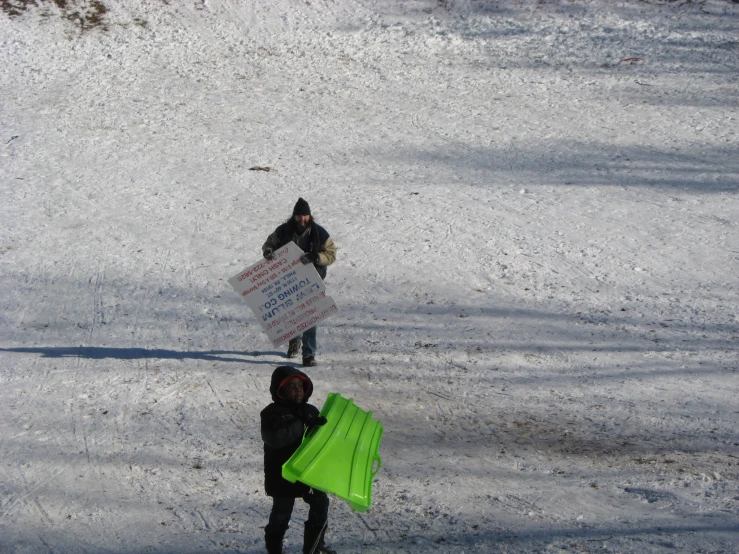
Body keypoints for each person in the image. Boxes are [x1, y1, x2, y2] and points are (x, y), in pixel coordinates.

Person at [260, 366, 335, 554]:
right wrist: (302, 424)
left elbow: (322, 443)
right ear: (280, 389)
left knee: (321, 504)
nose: (298, 390)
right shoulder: (271, 413)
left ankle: (314, 547)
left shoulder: (310, 411)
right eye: (292, 386)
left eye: (300, 385)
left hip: (309, 473)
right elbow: (275, 438)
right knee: (282, 513)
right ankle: (274, 550)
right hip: (282, 474)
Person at [262, 198, 337, 367]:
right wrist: (268, 252)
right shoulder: (282, 231)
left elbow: (331, 254)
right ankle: (294, 340)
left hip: (313, 281)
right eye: (298, 216)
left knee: (311, 317)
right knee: (292, 315)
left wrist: (317, 257)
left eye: (304, 216)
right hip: (288, 282)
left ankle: (309, 353)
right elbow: (269, 244)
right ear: (293, 216)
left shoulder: (319, 233)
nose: (301, 219)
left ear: (309, 216)